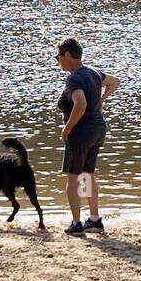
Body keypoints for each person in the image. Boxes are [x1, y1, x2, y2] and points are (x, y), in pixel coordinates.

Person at [55, 37, 120, 235]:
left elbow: (80, 104)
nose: (58, 61)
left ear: (67, 55)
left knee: (74, 177)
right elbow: (115, 82)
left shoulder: (73, 79)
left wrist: (67, 128)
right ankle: (94, 219)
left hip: (82, 131)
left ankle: (76, 223)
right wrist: (101, 100)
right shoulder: (93, 72)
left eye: (58, 57)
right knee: (88, 174)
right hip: (98, 128)